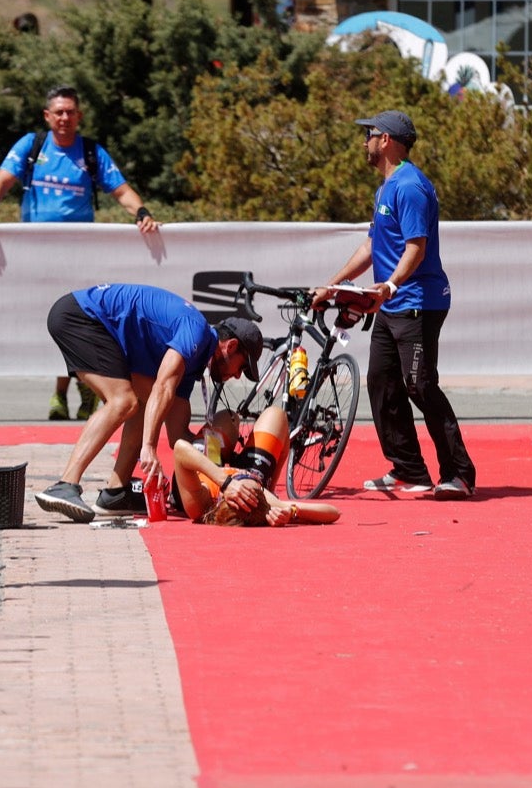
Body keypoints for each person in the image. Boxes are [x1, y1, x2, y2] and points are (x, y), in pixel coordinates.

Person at [0, 85, 161, 422]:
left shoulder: (90, 152)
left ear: (79, 116)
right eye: (58, 112)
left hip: (79, 252)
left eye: (70, 112)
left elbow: (121, 190)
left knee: (77, 322)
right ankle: (60, 392)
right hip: (35, 251)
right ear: (47, 116)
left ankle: (85, 387)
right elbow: (2, 181)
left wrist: (142, 213)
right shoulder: (32, 146)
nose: (64, 118)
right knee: (43, 318)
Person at [313, 109, 476, 501]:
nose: (363, 141)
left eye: (368, 134)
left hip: (419, 302)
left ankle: (460, 474)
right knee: (382, 384)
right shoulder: (385, 188)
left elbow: (415, 248)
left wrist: (389, 284)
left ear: (386, 139)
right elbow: (372, 246)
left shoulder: (410, 186)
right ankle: (409, 470)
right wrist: (333, 285)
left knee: (419, 385)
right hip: (392, 303)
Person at [35, 283, 261, 524]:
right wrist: (149, 448)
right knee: (123, 402)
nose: (237, 376)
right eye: (242, 367)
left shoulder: (192, 365)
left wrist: (218, 451)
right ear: (231, 346)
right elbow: (162, 386)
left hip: (96, 324)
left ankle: (115, 492)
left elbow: (178, 437)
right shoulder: (196, 331)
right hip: (80, 316)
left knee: (141, 404)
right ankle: (65, 484)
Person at [173, 406, 340, 526]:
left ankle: (226, 455)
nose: (245, 478)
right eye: (258, 488)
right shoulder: (263, 502)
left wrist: (226, 482)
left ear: (226, 496)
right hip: (249, 481)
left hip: (205, 466)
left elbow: (180, 449)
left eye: (244, 485)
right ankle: (265, 481)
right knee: (276, 415)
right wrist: (291, 512)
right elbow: (333, 513)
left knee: (227, 419)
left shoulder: (200, 502)